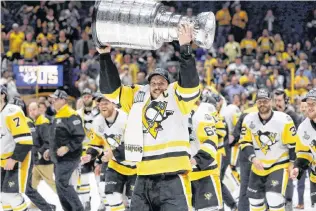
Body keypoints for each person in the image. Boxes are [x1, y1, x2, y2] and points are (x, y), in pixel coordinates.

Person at [97, 24, 200, 210]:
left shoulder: (177, 96)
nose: (157, 85)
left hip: (173, 177)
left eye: (162, 82)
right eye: (153, 82)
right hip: (143, 176)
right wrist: (104, 56)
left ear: (169, 84)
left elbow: (190, 83)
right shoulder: (138, 96)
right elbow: (110, 91)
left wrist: (185, 49)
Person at [239, 88, 298, 211]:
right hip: (258, 166)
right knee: (255, 202)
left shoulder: (284, 119)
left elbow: (293, 145)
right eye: (259, 101)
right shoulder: (248, 119)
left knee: (274, 198)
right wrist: (253, 158)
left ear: (270, 102)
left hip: (278, 164)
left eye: (265, 101)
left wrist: (292, 163)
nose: (262, 104)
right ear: (256, 103)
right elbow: (245, 142)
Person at [82, 95, 137, 211]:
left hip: (135, 166)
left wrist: (114, 153)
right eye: (100, 104)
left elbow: (135, 143)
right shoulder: (97, 122)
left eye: (106, 103)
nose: (102, 106)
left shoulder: (126, 119)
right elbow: (96, 142)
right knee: (111, 196)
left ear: (114, 104)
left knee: (135, 202)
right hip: (115, 165)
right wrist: (90, 155)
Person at [49, 89, 85, 211]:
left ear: (63, 100)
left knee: (62, 183)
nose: (52, 101)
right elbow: (56, 137)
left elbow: (79, 135)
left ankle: (79, 209)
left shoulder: (71, 115)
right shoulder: (58, 115)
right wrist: (50, 150)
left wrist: (67, 147)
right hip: (58, 158)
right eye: (52, 99)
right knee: (60, 187)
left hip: (69, 157)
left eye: (55, 99)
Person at [0, 85, 33, 211]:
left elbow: (25, 141)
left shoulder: (12, 111)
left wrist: (14, 159)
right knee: (3, 196)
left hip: (16, 159)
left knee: (12, 195)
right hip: (2, 160)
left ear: (3, 95)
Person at [188, 92, 223, 210]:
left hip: (205, 172)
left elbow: (215, 138)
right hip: (183, 175)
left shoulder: (202, 113)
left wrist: (197, 159)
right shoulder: (174, 113)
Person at [273, 89, 302, 211]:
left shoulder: (292, 115)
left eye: (279, 100)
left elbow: (296, 137)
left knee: (288, 180)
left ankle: (288, 203)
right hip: (273, 154)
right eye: (275, 100)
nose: (277, 103)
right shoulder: (271, 114)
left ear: (285, 101)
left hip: (289, 154)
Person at [26, 102, 57, 211]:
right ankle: (35, 204)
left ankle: (68, 199)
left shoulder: (43, 122)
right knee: (32, 185)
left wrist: (39, 153)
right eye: (30, 110)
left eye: (34, 109)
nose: (32, 112)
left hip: (44, 160)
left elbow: (48, 142)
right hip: (37, 160)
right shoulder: (35, 122)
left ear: (39, 109)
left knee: (52, 183)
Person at [290, 88, 316, 208]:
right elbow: (304, 153)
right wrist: (298, 168)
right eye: (308, 104)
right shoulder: (303, 128)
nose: (309, 107)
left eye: (313, 104)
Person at [76, 88, 99, 210]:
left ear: (92, 97)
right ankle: (86, 202)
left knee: (99, 178)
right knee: (83, 177)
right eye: (84, 96)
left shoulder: (99, 111)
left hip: (98, 149)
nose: (86, 98)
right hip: (84, 150)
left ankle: (103, 203)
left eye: (88, 96)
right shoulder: (78, 114)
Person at [232, 105, 258, 211]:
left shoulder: (245, 113)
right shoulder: (270, 113)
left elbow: (235, 135)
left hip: (245, 153)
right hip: (262, 154)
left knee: (244, 186)